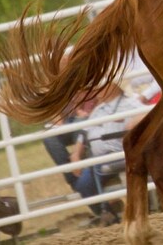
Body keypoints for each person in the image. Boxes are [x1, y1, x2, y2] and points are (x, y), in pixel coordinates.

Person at [69, 79, 146, 225]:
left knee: (87, 181)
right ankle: (109, 213)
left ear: (114, 87)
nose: (97, 89)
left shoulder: (130, 104)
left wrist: (136, 120)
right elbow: (83, 133)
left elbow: (149, 113)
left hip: (121, 155)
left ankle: (112, 211)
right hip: (100, 159)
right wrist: (76, 154)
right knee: (83, 185)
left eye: (102, 86)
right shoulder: (98, 110)